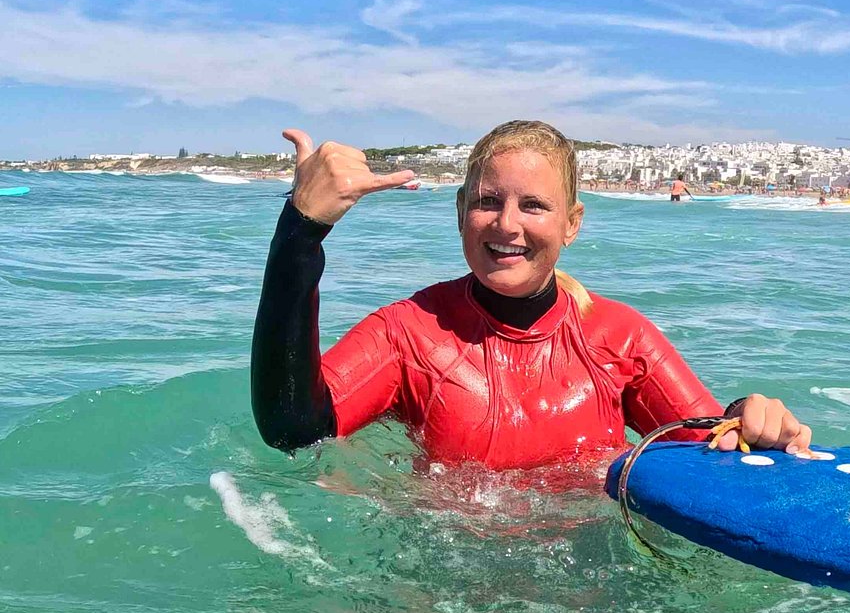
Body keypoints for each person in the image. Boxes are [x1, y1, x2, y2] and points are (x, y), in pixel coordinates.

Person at [252, 120, 812, 470]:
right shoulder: (410, 332)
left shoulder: (621, 337)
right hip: (441, 596)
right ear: (460, 214)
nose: (507, 224)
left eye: (534, 206)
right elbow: (293, 429)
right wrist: (301, 229)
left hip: (588, 595)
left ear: (572, 224)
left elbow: (710, 446)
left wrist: (751, 422)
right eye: (488, 201)